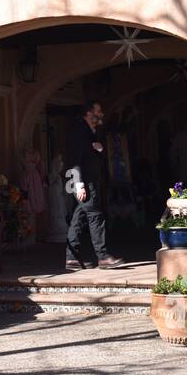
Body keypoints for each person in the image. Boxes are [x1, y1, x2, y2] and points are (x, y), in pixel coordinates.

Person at [64, 99, 123, 271]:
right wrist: (79, 183)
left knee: (79, 217)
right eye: (98, 111)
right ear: (89, 114)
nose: (101, 114)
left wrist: (100, 150)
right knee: (95, 216)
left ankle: (72, 258)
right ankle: (103, 256)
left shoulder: (90, 132)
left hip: (88, 180)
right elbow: (75, 159)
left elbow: (93, 156)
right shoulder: (80, 131)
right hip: (84, 181)